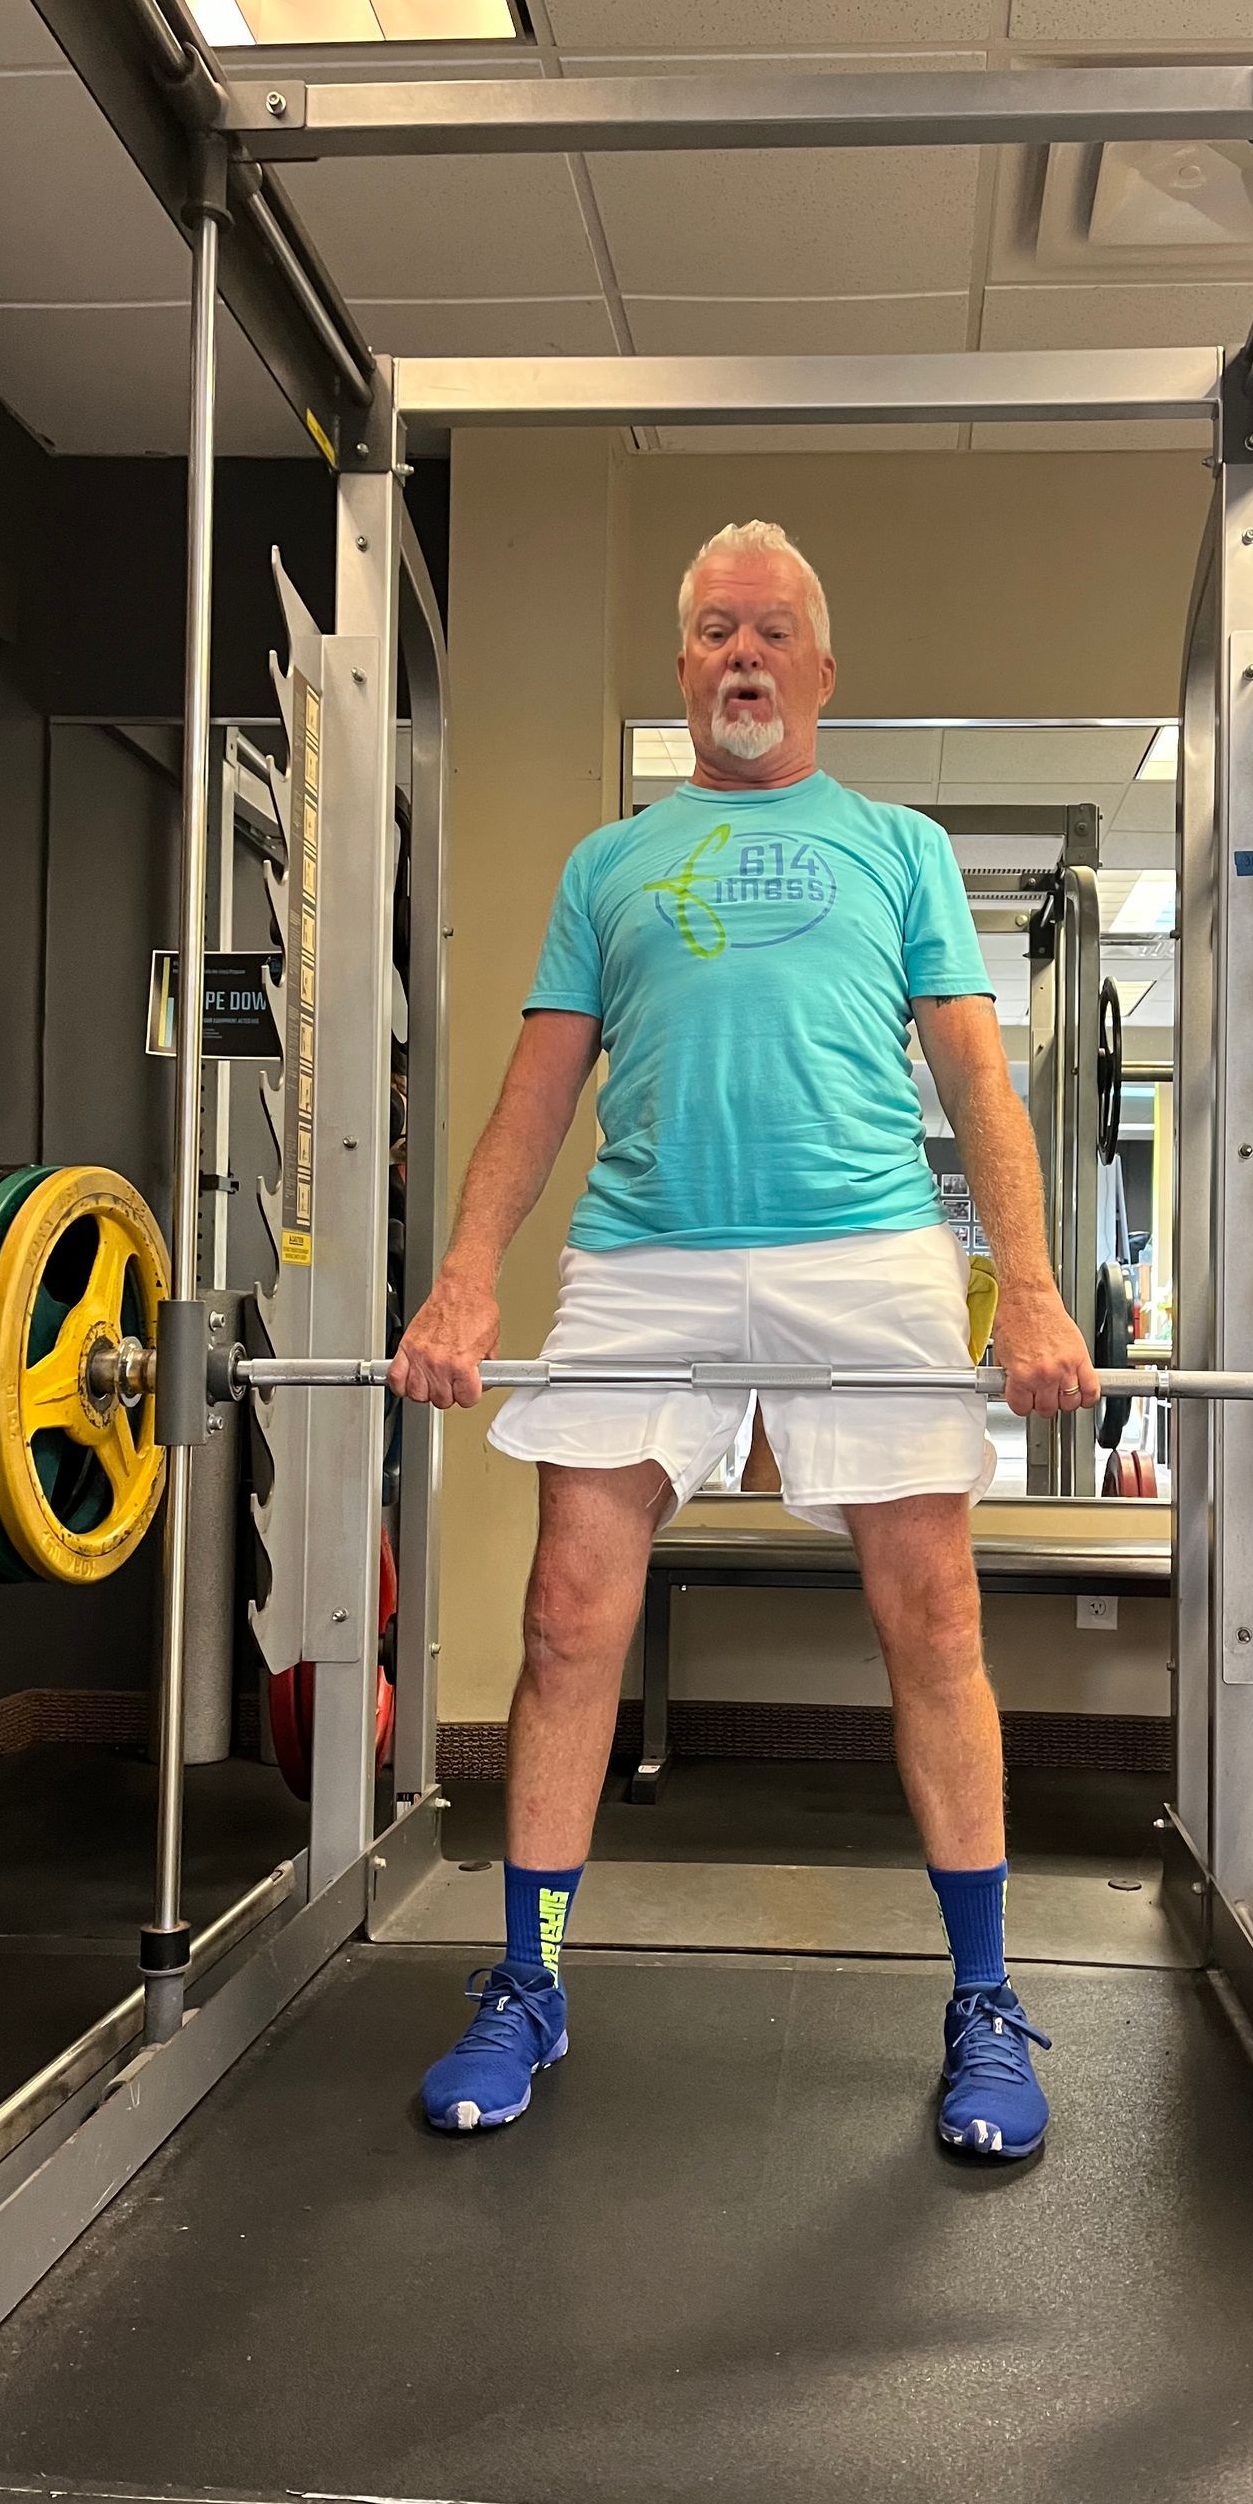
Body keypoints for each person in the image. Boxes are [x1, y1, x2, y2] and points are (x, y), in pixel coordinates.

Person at [389, 520, 1100, 2159]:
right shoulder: (607, 863)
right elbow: (540, 1089)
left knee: (931, 1614)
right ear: (685, 671)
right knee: (569, 1617)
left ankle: (984, 2002)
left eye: (771, 628)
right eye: (713, 630)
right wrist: (468, 1277)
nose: (741, 654)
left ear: (822, 670)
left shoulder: (901, 845)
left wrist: (1038, 1291)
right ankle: (530, 1977)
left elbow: (981, 1087)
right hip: (648, 1255)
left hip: (869, 1251)